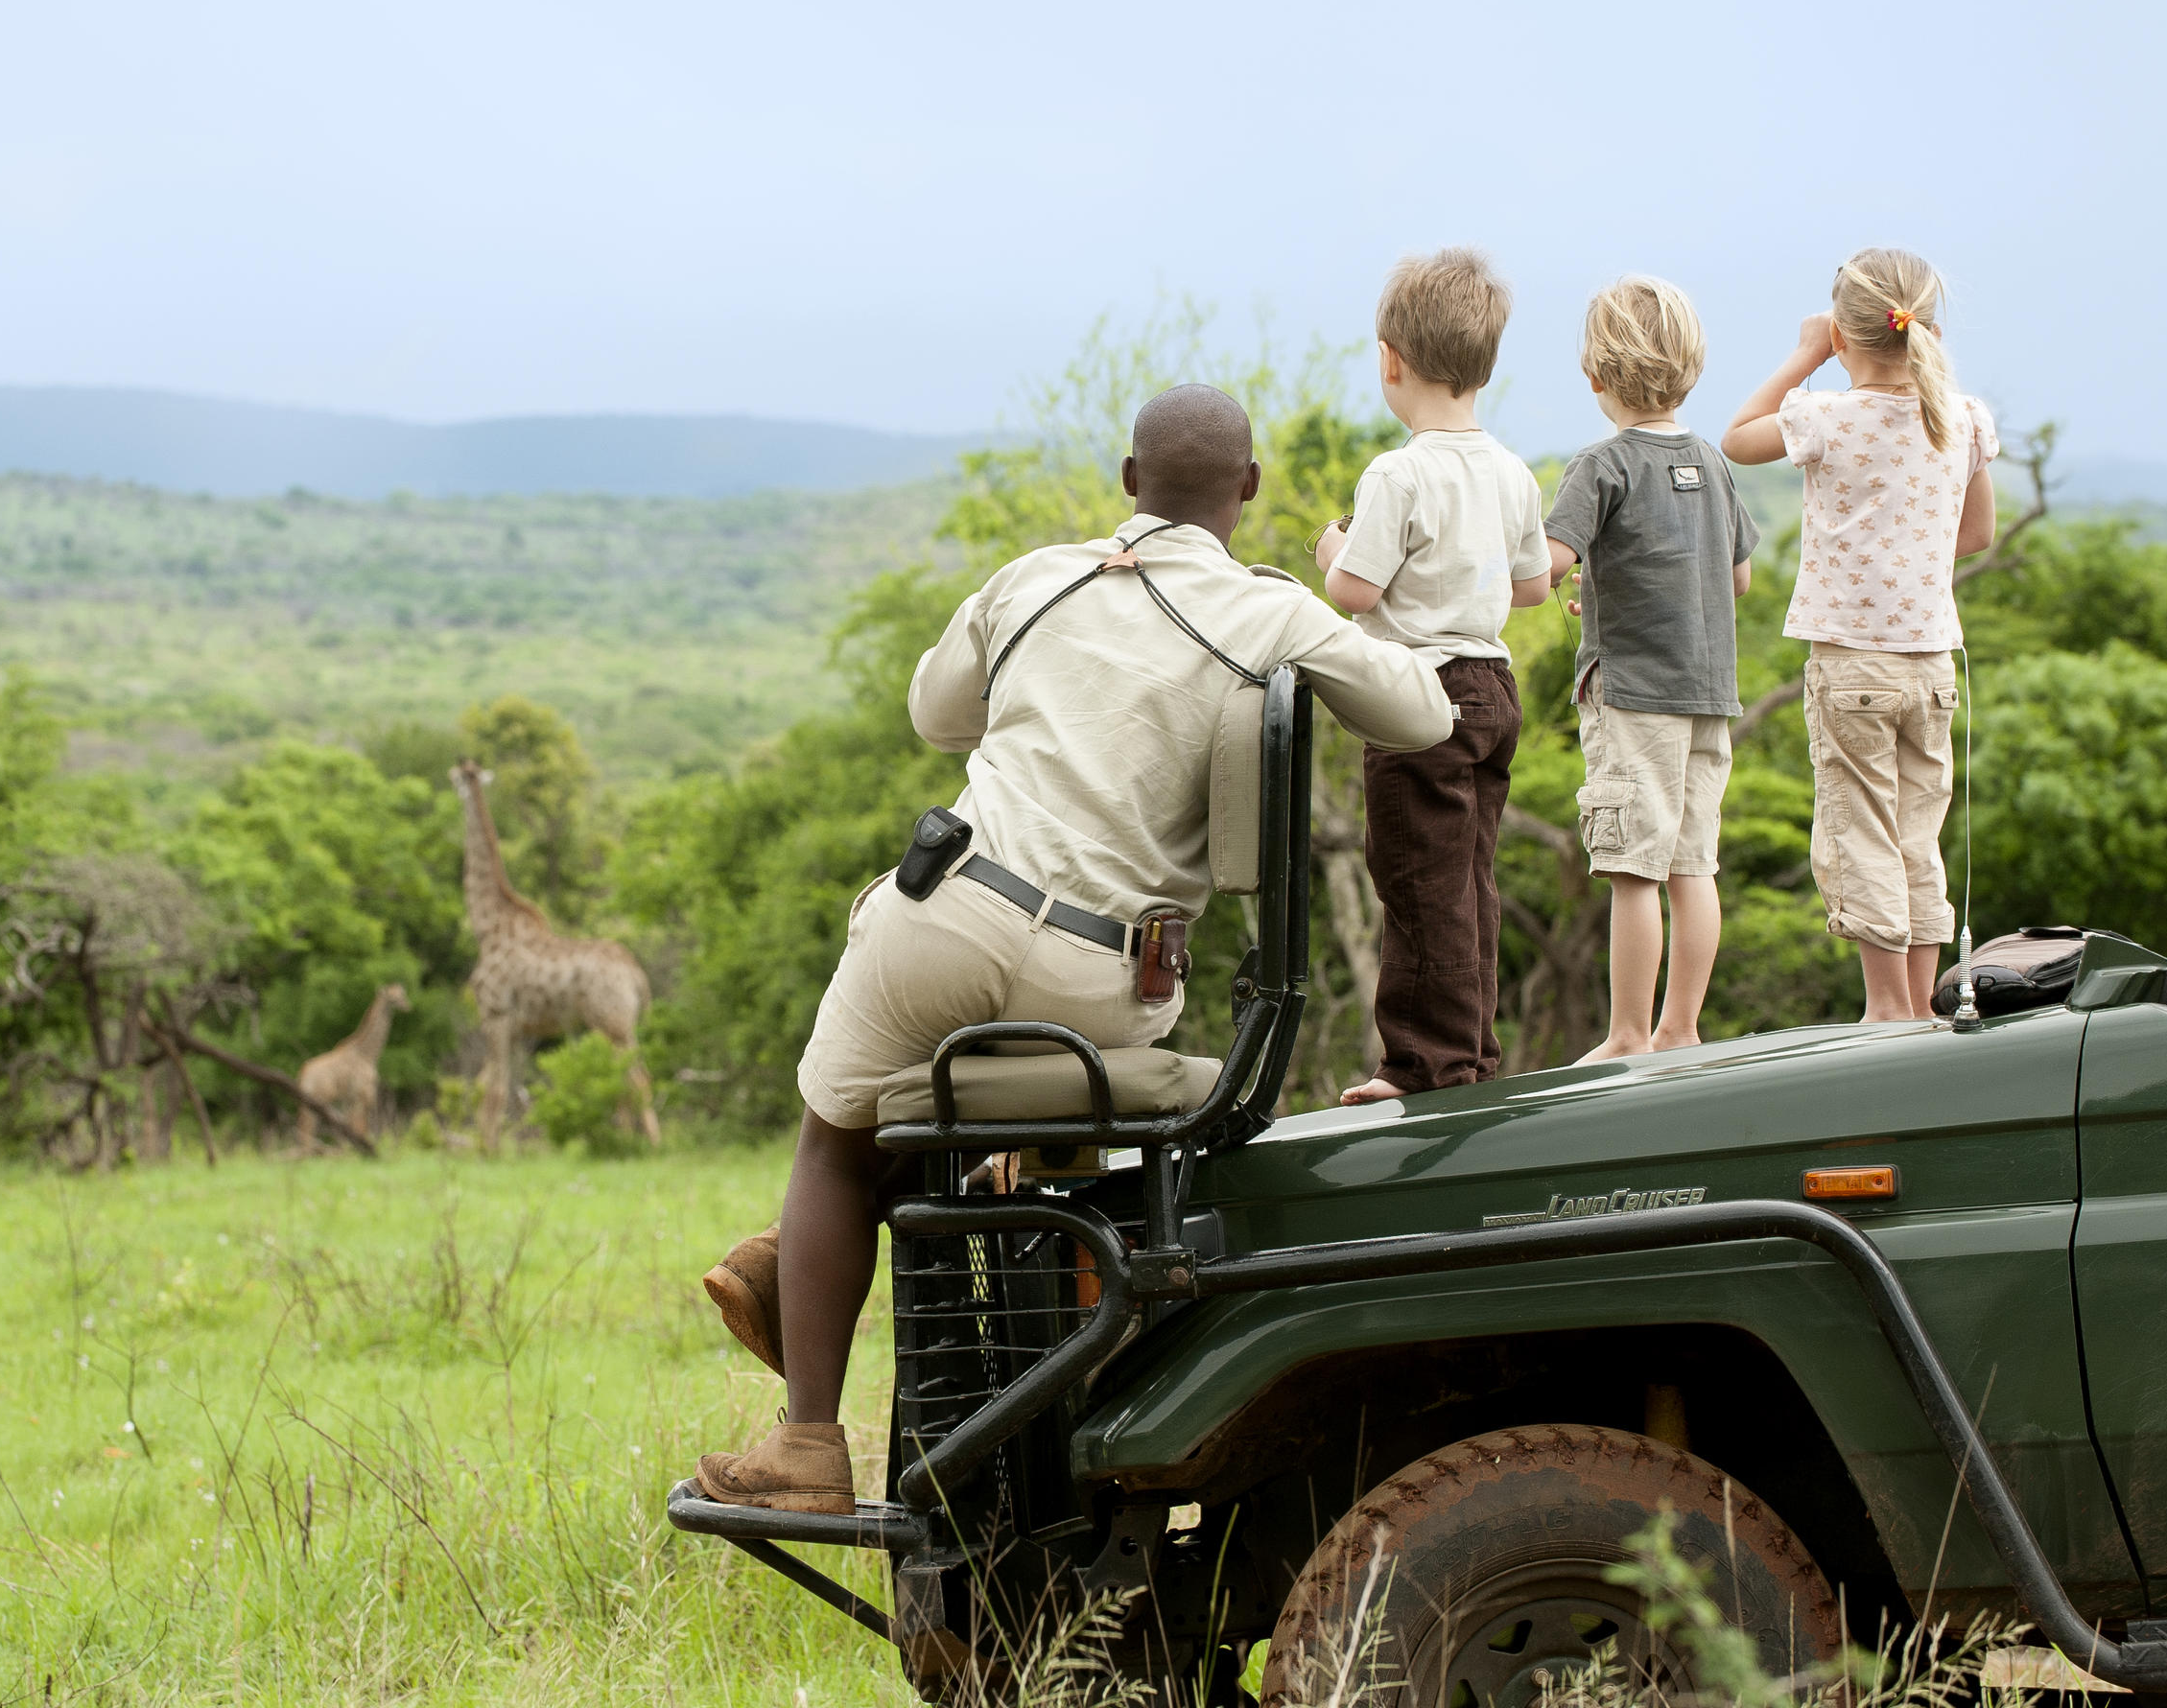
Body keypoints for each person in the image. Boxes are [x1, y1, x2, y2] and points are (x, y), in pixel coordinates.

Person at [693, 386, 1456, 1515]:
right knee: (942, 1099)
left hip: (949, 913)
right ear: (1245, 491)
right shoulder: (1266, 611)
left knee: (834, 1138)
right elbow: (1426, 717)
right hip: (1110, 978)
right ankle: (827, 1264)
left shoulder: (1039, 578)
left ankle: (809, 1439)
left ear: (1128, 481)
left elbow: (934, 715)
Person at [1718, 247, 1999, 1024]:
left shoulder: (1825, 415)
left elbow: (1737, 439)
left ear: (1844, 337)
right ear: (1927, 330)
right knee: (1917, 834)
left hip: (1852, 663)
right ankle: (1918, 1005)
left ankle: (1884, 1010)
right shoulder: (1965, 418)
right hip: (1933, 662)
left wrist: (1805, 355)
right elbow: (1974, 534)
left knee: (1862, 827)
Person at [1310, 249, 1549, 1105]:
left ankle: (1424, 1069)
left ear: (1390, 359)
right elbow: (1532, 588)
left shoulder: (1398, 473)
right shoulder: (1511, 470)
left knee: (1417, 884)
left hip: (1420, 696)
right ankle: (1472, 1055)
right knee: (1470, 882)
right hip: (1493, 687)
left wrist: (1330, 547)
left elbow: (1354, 591)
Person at [1541, 276, 1758, 1062]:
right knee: (1692, 865)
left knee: (1633, 867)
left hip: (1634, 695)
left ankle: (1628, 1034)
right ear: (1691, 369)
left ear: (1595, 376)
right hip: (1708, 694)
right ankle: (1680, 1028)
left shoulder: (1600, 465)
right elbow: (1732, 577)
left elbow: (1549, 562)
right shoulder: (1710, 459)